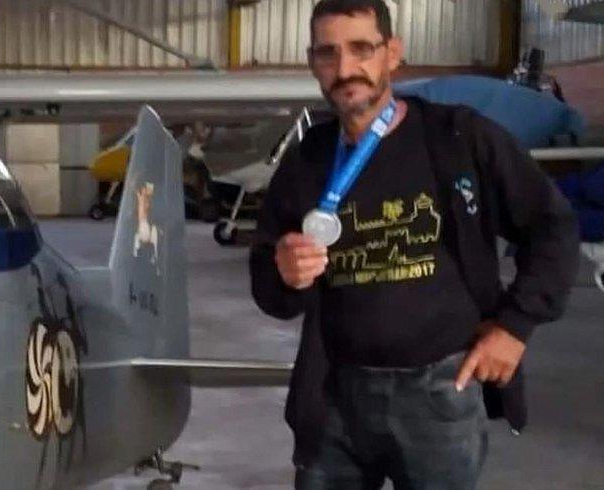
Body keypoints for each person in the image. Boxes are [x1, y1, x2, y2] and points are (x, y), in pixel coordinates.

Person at [248, 1, 580, 488]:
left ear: (392, 53)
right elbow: (269, 285)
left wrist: (515, 326)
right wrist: (283, 273)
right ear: (312, 62)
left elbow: (553, 226)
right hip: (335, 398)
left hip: (439, 394)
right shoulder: (306, 161)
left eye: (361, 49)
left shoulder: (459, 138)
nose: (345, 68)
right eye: (328, 53)